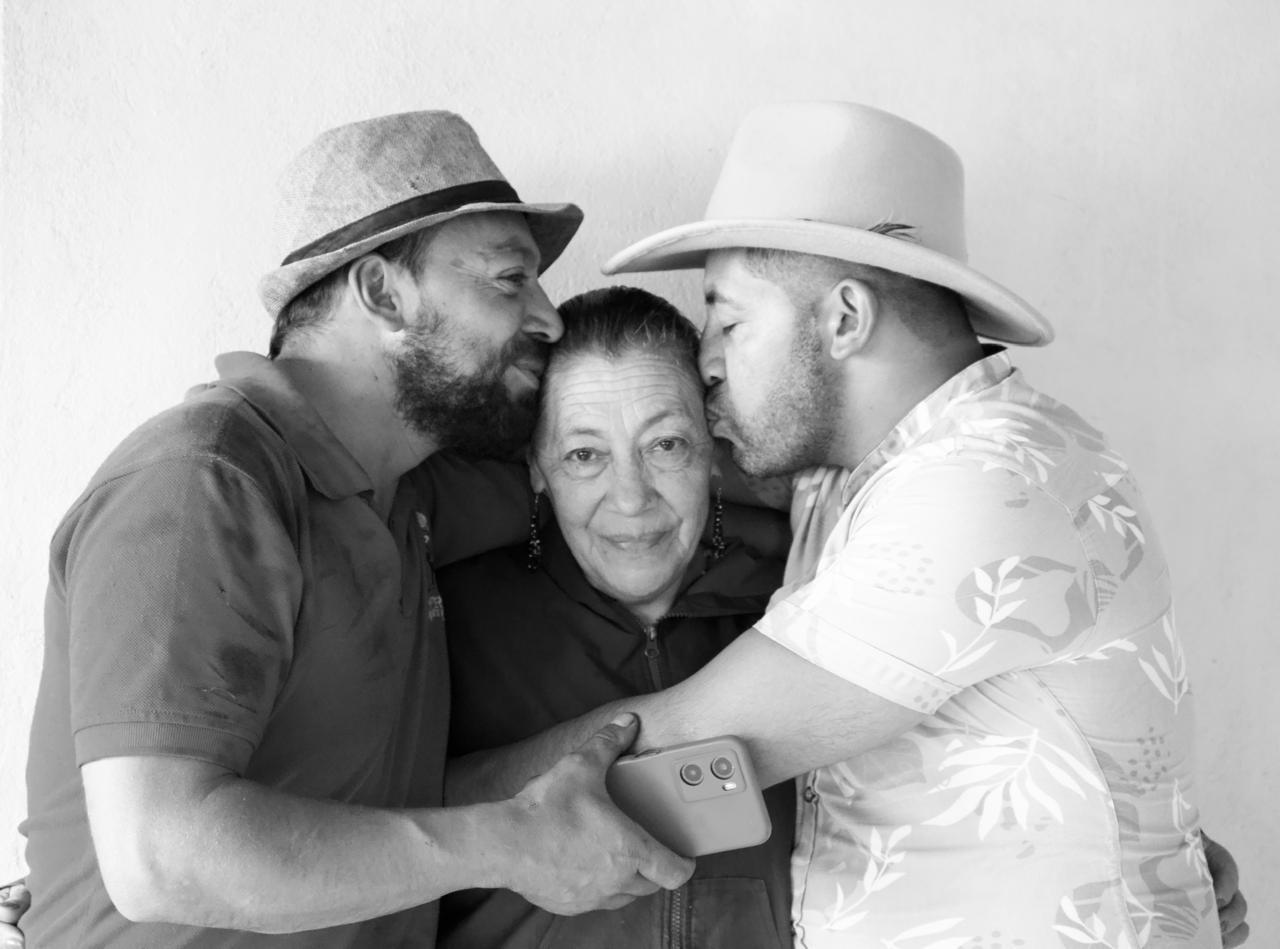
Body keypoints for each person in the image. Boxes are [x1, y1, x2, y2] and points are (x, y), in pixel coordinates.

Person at [449, 101, 1236, 947]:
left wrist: (402, 821)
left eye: (729, 318)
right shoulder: (856, 478)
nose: (707, 360)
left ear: (845, 319)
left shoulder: (982, 485)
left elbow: (673, 753)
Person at [19, 111, 691, 948]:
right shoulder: (202, 482)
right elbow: (158, 856)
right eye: (510, 279)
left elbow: (609, 473)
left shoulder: (409, 493)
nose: (549, 318)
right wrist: (508, 840)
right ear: (381, 292)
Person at [436, 286, 796, 948]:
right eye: (584, 454)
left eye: (665, 445)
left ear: (712, 452)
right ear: (537, 468)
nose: (630, 498)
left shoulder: (799, 605)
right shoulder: (450, 620)